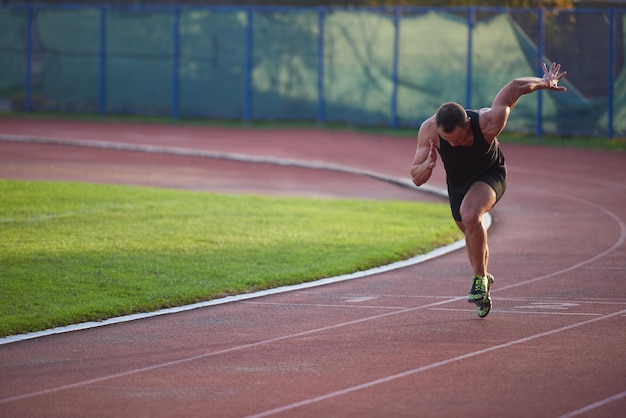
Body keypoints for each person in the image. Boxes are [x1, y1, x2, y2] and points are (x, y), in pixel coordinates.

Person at [409, 62, 568, 318]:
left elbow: (514, 87)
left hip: (490, 174)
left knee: (471, 215)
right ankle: (483, 282)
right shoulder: (429, 130)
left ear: (467, 125)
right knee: (471, 233)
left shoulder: (487, 122)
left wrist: (544, 82)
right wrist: (426, 168)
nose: (452, 144)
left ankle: (479, 279)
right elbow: (415, 176)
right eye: (447, 140)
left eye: (458, 139)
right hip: (458, 184)